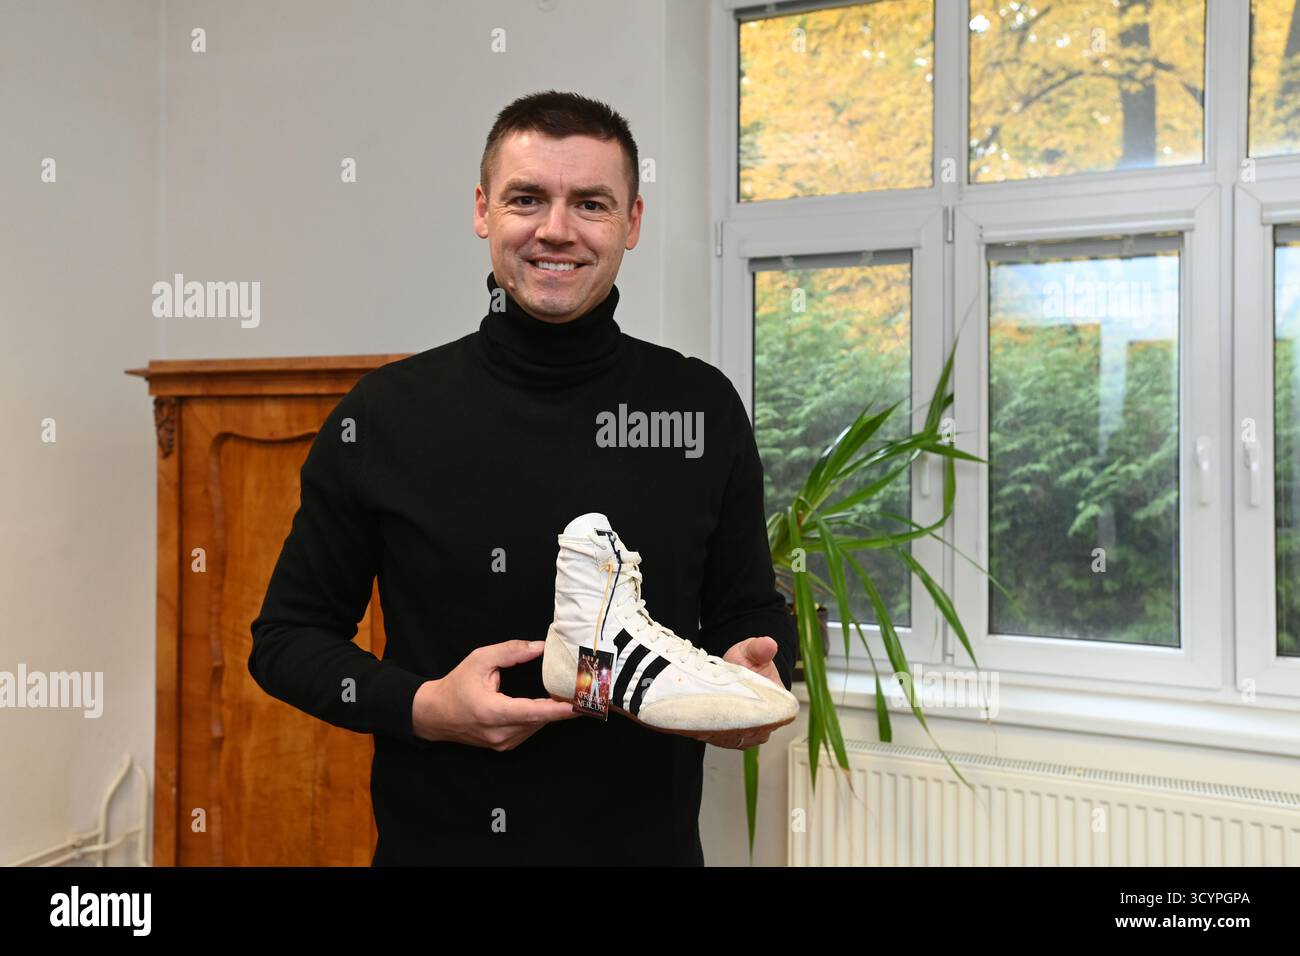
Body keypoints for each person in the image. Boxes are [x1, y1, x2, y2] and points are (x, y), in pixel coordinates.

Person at [248, 90, 797, 866]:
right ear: (483, 210)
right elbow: (285, 640)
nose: (556, 230)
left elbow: (749, 609)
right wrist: (425, 706)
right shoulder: (384, 414)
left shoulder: (698, 406)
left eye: (592, 204)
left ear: (631, 223)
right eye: (527, 198)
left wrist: (749, 676)